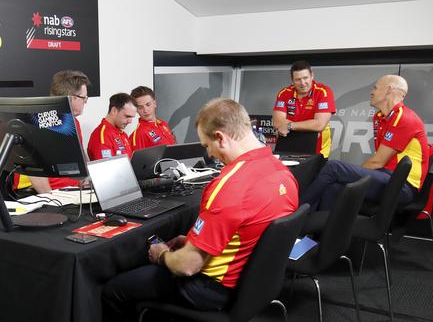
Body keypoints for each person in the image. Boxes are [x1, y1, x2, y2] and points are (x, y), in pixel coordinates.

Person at [102, 98, 298, 321]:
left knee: (114, 289)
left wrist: (162, 255)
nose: (211, 155)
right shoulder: (283, 173)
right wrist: (192, 241)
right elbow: (246, 231)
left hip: (211, 290)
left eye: (207, 146)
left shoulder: (229, 187)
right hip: (254, 284)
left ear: (220, 138)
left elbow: (187, 266)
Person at [300, 75, 429, 211]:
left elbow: (377, 162)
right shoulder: (379, 118)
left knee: (334, 167)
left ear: (388, 90)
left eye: (375, 88)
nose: (371, 92)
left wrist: (352, 176)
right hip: (386, 176)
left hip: (402, 186)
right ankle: (318, 229)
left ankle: (295, 214)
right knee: (333, 188)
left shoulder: (404, 118)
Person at [12, 70, 91, 194]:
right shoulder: (38, 123)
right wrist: (52, 201)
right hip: (40, 193)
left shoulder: (74, 123)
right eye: (84, 98)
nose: (85, 101)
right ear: (71, 97)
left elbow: (80, 159)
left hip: (72, 192)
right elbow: (36, 175)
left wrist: (87, 182)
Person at [272, 60, 336, 158]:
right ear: (292, 81)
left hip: (317, 149)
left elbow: (319, 124)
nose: (303, 83)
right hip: (288, 147)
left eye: (305, 78)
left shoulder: (323, 92)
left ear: (312, 76)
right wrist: (309, 126)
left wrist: (289, 126)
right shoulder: (284, 93)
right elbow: (277, 122)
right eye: (298, 79)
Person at [87, 93, 136, 160]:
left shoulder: (123, 134)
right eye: (127, 116)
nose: (130, 121)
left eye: (132, 117)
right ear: (114, 111)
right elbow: (106, 168)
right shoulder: (102, 136)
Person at [129, 86, 176, 152]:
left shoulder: (163, 124)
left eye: (148, 105)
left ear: (155, 103)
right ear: (136, 110)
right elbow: (138, 162)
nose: (145, 110)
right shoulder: (139, 134)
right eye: (140, 107)